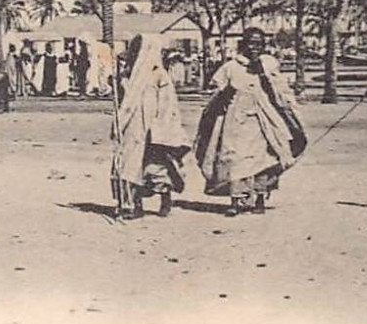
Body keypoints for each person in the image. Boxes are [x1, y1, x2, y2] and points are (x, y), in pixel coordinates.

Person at [194, 26, 307, 217]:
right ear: (243, 44)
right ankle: (236, 200)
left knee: (263, 160)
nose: (255, 48)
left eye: (259, 44)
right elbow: (215, 95)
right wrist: (225, 93)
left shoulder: (270, 65)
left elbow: (281, 94)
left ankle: (260, 199)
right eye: (251, 43)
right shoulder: (230, 67)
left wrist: (262, 74)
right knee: (235, 159)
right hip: (236, 121)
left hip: (264, 120)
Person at [110, 34, 190, 219]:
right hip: (132, 127)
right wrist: (114, 85)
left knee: (156, 167)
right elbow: (123, 102)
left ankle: (165, 200)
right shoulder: (127, 75)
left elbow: (168, 104)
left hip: (153, 128)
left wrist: (161, 128)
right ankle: (134, 205)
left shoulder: (159, 75)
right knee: (129, 166)